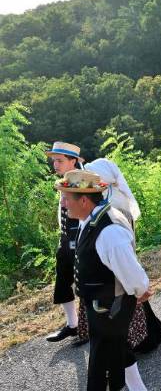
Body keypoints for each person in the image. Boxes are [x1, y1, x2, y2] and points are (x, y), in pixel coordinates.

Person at [55, 170, 152, 391]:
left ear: (84, 200)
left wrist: (140, 289)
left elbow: (129, 268)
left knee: (102, 363)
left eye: (66, 198)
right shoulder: (90, 219)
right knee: (117, 349)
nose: (63, 203)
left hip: (110, 306)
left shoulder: (109, 231)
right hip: (100, 303)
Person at [84, 158, 161, 354]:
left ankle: (143, 338)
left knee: (128, 298)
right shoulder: (108, 197)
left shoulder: (114, 202)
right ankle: (146, 335)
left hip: (118, 263)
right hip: (117, 262)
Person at [44, 142, 87, 344]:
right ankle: (72, 325)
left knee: (85, 280)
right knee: (62, 279)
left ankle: (88, 327)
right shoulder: (64, 180)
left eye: (59, 161)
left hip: (81, 237)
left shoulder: (83, 180)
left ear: (73, 161)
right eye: (54, 161)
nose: (55, 164)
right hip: (66, 238)